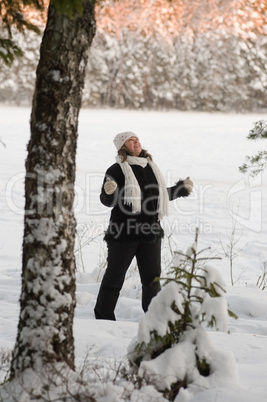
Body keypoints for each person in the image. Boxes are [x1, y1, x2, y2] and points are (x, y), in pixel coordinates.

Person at [94, 132, 193, 320]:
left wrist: (181, 189)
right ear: (122, 147)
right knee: (114, 278)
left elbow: (158, 195)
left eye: (136, 138)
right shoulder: (116, 170)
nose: (136, 141)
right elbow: (108, 201)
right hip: (124, 232)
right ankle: (103, 317)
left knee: (152, 281)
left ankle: (154, 317)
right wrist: (109, 193)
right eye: (130, 140)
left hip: (150, 232)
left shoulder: (150, 167)